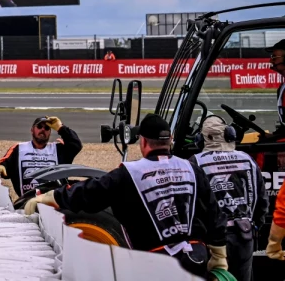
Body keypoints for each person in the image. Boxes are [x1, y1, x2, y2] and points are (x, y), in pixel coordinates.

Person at [25, 114, 227, 278]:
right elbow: (214, 212)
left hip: (155, 266)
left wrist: (50, 197)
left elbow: (90, 193)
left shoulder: (130, 173)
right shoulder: (192, 169)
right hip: (196, 260)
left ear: (143, 141)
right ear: (171, 140)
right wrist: (219, 254)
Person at [190, 115, 263, 281]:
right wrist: (254, 227)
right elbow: (262, 201)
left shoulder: (195, 162)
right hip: (244, 234)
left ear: (201, 140)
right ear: (229, 135)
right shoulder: (247, 160)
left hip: (213, 240)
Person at [0, 115, 82, 201]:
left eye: (47, 128)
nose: (43, 129)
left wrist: (60, 128)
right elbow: (5, 163)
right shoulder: (19, 148)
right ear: (32, 130)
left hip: (54, 203)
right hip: (27, 202)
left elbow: (76, 145)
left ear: (50, 133)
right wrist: (1, 166)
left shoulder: (58, 149)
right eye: (39, 126)